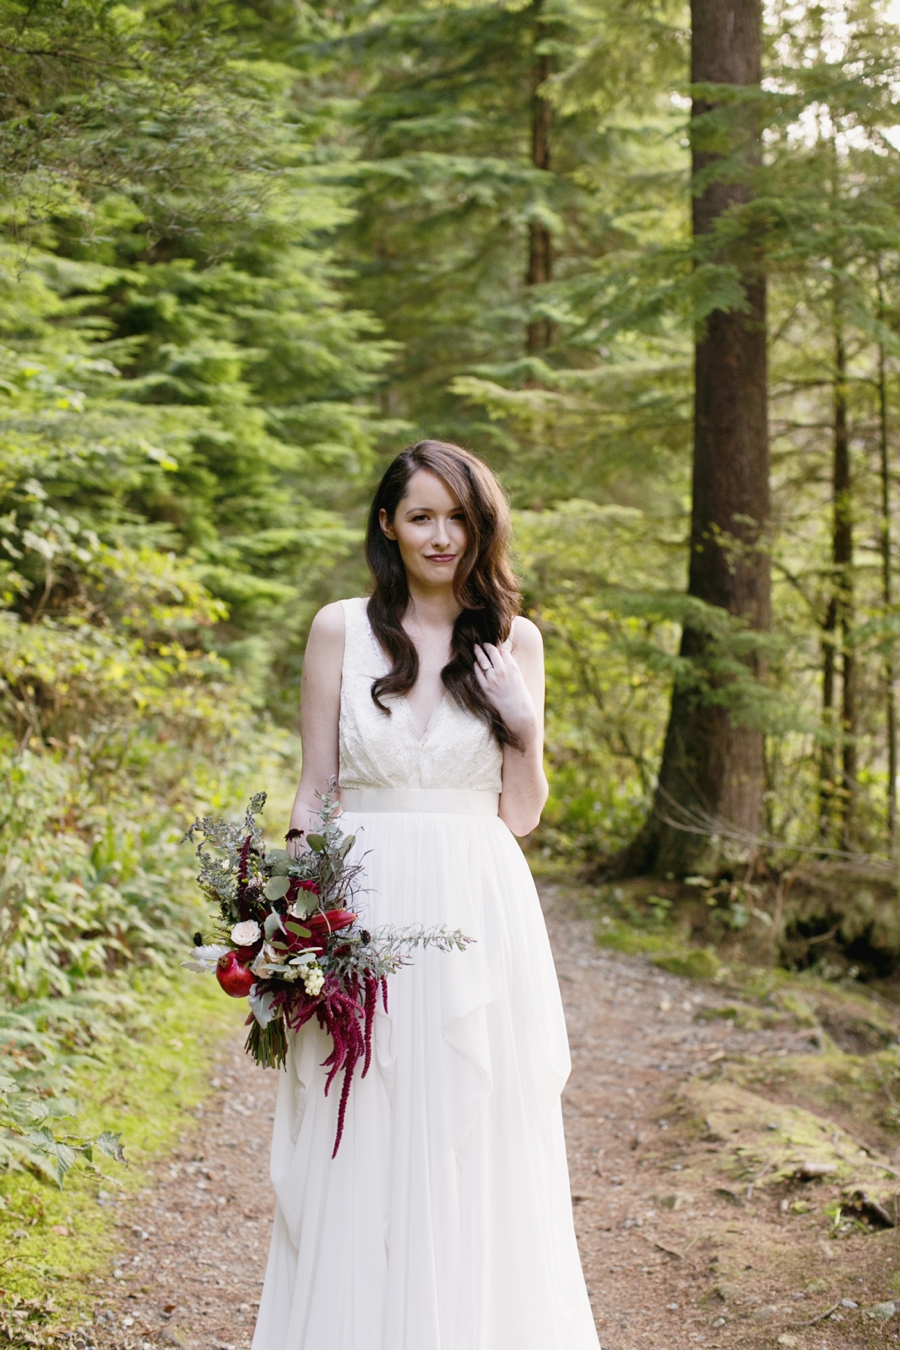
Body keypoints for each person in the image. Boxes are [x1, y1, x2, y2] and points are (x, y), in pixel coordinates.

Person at [252, 441, 600, 1351]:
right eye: (420, 516)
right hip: (360, 904)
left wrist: (524, 728)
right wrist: (296, 918)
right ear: (387, 525)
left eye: (457, 517)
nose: (440, 536)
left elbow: (520, 815)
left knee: (469, 1123)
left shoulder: (514, 640)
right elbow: (315, 787)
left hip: (477, 909)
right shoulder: (339, 627)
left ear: (480, 525)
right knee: (359, 1118)